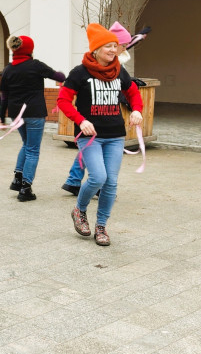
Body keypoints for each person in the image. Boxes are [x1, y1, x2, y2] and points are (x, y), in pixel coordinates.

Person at [57, 24, 143, 247]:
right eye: (108, 46)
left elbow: (132, 92)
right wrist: (81, 120)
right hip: (90, 136)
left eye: (115, 46)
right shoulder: (79, 73)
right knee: (98, 177)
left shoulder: (118, 71)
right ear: (96, 49)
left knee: (111, 183)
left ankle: (101, 226)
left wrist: (136, 110)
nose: (113, 50)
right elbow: (63, 101)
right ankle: (80, 210)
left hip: (115, 135)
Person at [0, 36, 65, 202]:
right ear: (30, 49)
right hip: (34, 112)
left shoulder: (8, 69)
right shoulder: (36, 66)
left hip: (16, 114)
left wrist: (1, 116)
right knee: (33, 150)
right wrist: (62, 74)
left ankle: (17, 178)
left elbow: (4, 96)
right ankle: (25, 188)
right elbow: (59, 77)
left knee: (27, 145)